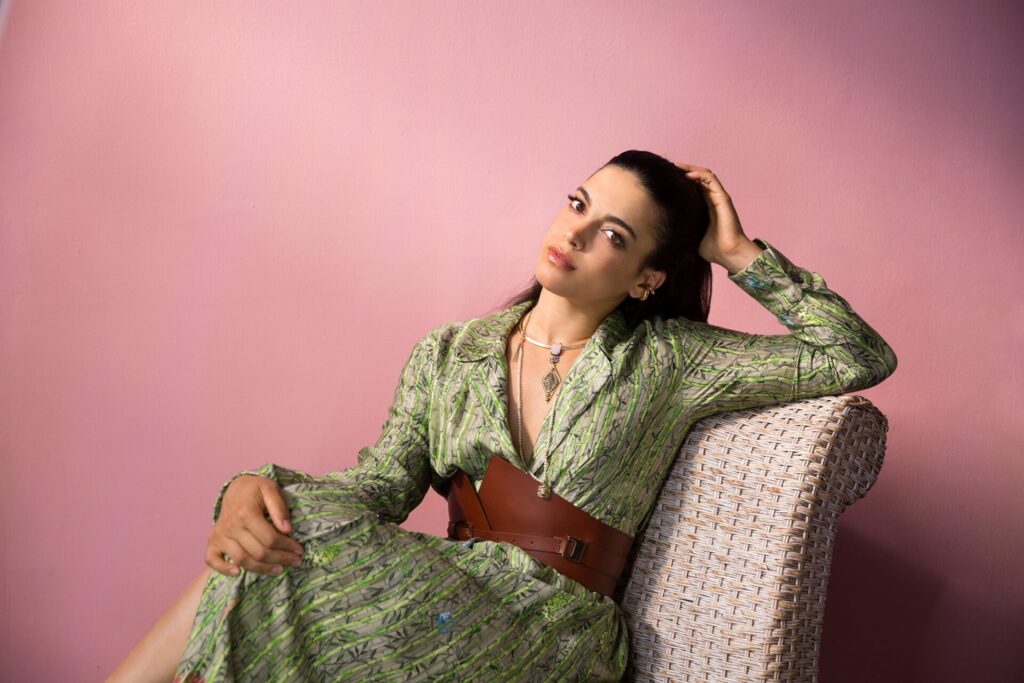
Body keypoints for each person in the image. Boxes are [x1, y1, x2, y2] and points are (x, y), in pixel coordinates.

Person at [107, 150, 897, 682]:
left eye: (610, 233)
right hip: (444, 606)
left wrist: (737, 252)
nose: (573, 231)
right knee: (280, 528)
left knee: (289, 542)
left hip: (553, 632)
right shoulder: (449, 353)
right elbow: (379, 487)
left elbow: (854, 353)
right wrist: (250, 487)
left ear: (646, 278)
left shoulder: (672, 360)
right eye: (578, 203)